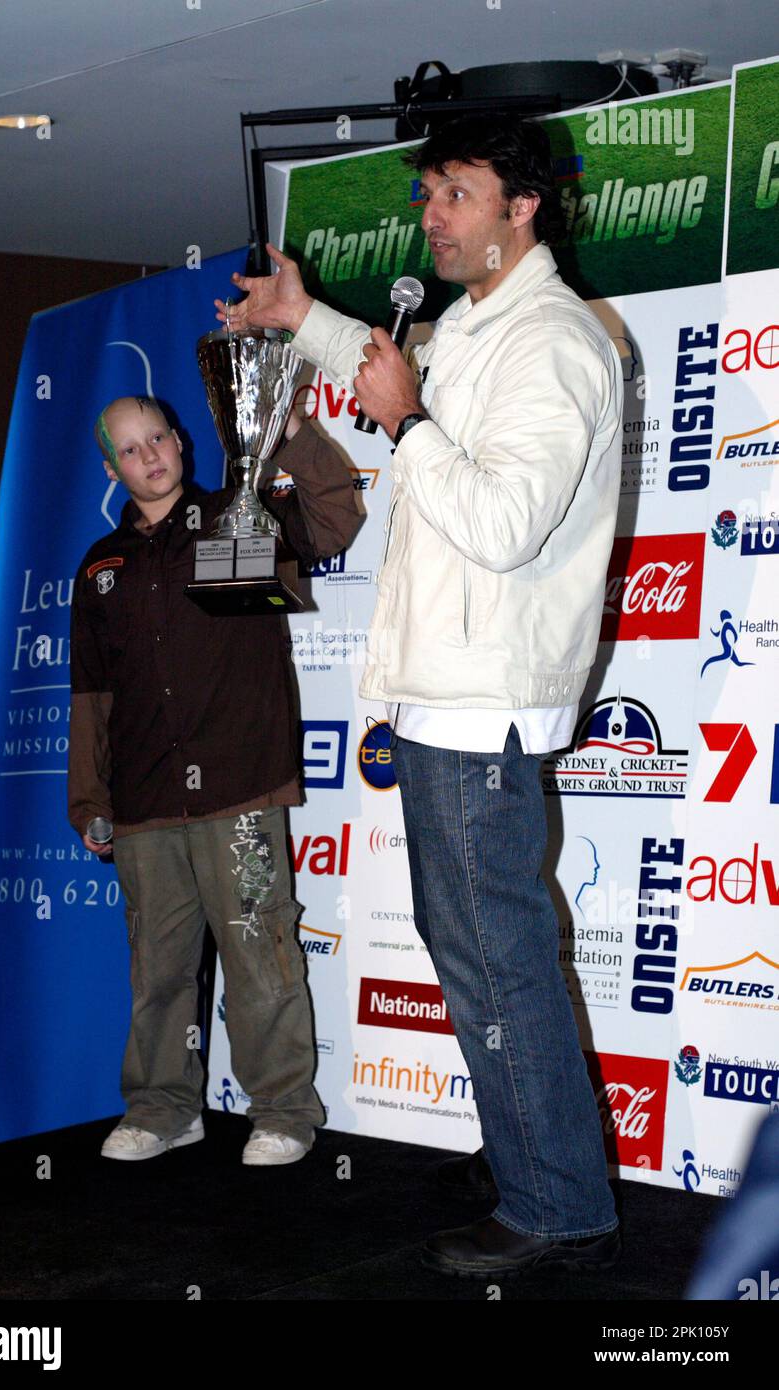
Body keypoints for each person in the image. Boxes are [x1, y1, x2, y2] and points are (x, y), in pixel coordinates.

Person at [216, 113, 624, 1272]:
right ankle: (538, 1155)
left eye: (456, 191)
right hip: (454, 689)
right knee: (482, 944)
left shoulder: (549, 342)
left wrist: (405, 420)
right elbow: (390, 366)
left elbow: (500, 523)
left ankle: (555, 1201)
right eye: (429, 191)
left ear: (521, 206)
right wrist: (301, 318)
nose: (431, 213)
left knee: (491, 952)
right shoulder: (482, 326)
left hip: (478, 695)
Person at [68, 392, 362, 1165]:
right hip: (143, 802)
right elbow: (90, 694)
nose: (149, 456)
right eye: (129, 449)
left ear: (181, 441)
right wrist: (90, 800)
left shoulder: (238, 522)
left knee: (260, 954)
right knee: (158, 971)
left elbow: (335, 522)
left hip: (239, 791)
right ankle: (164, 1108)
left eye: (156, 438)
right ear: (111, 467)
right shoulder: (100, 567)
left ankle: (284, 1112)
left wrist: (292, 435)